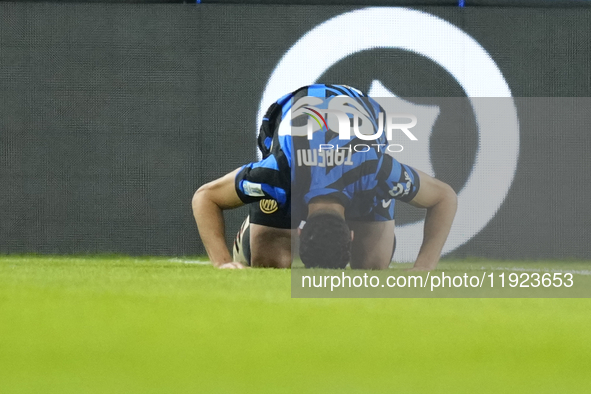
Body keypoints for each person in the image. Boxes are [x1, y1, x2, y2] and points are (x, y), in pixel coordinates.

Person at [192, 84, 457, 270]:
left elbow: (205, 196)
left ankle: (375, 229)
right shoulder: (279, 174)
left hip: (359, 115)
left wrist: (424, 267)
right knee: (270, 264)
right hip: (289, 116)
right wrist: (223, 263)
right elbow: (205, 197)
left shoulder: (375, 172)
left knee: (371, 267)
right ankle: (255, 224)